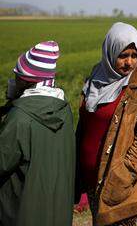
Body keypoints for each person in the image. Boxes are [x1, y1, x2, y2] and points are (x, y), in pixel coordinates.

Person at [75, 22, 137, 226]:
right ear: (110, 52)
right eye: (123, 55)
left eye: (134, 56)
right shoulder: (97, 76)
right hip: (92, 179)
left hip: (119, 185)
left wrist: (125, 174)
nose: (129, 62)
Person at [0, 41, 75, 226]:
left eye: (17, 76)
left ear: (27, 80)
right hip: (57, 212)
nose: (13, 79)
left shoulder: (19, 117)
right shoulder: (63, 109)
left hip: (22, 214)